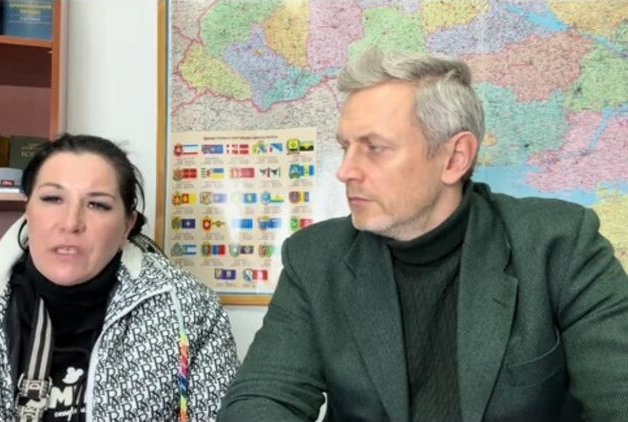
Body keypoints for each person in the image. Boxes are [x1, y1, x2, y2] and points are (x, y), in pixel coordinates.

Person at [219, 48, 628, 422]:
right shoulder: (315, 257)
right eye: (346, 147)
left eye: (374, 148)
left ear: (455, 158)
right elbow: (262, 399)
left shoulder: (559, 245)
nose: (345, 171)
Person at [0, 134, 238, 421]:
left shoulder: (189, 312)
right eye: (52, 199)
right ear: (27, 209)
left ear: (127, 225)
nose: (70, 223)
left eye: (97, 204)